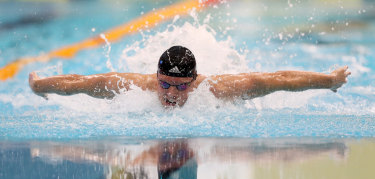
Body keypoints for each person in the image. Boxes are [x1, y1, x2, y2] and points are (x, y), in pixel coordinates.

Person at [29, 45, 351, 108]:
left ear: (194, 83)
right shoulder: (135, 87)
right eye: (164, 83)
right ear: (156, 77)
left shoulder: (217, 91)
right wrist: (39, 85)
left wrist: (329, 81)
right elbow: (81, 83)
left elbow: (277, 79)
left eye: (180, 87)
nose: (169, 93)